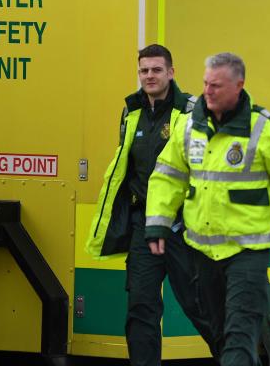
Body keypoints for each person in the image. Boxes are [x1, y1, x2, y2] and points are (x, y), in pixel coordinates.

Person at [145, 52, 270, 366]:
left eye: (216, 85)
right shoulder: (190, 127)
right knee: (220, 334)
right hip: (202, 252)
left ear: (239, 86)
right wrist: (158, 223)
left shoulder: (265, 129)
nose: (208, 91)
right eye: (206, 83)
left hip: (247, 251)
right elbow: (167, 176)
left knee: (239, 332)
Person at [85, 44, 219, 365]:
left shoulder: (191, 109)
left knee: (200, 306)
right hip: (144, 224)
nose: (149, 76)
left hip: (182, 226)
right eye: (144, 70)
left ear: (171, 73)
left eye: (156, 70)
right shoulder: (131, 111)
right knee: (141, 307)